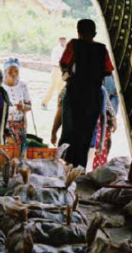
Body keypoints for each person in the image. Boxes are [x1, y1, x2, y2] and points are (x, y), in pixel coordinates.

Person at [59, 19, 114, 168]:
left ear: (78, 32)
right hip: (93, 96)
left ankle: (65, 164)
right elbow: (108, 71)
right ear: (94, 33)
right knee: (86, 133)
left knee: (70, 130)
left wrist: (68, 72)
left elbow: (64, 63)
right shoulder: (102, 49)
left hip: (75, 93)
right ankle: (79, 168)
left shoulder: (73, 45)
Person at [2, 58, 32, 145]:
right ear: (5, 71)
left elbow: (29, 107)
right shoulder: (0, 86)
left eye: (16, 71)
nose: (14, 73)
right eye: (10, 71)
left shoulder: (23, 85)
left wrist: (22, 107)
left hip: (19, 125)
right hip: (3, 125)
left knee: (18, 152)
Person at [41, 37, 67, 110]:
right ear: (59, 40)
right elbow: (54, 60)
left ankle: (59, 105)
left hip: (63, 70)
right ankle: (44, 102)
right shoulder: (56, 49)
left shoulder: (66, 49)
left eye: (64, 40)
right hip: (56, 69)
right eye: (61, 40)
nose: (63, 41)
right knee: (52, 86)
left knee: (61, 88)